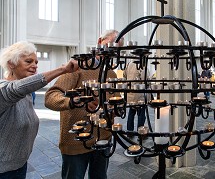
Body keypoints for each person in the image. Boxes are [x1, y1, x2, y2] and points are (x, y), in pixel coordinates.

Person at [44, 30, 123, 179]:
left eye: (116, 49)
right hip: (76, 141)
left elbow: (115, 100)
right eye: (110, 45)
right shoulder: (78, 66)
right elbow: (50, 97)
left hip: (103, 137)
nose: (111, 51)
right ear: (100, 41)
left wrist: (116, 108)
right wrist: (75, 101)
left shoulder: (111, 74)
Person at [0, 41, 78, 179]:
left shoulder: (28, 94)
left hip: (19, 165)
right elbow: (16, 89)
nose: (35, 66)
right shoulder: (3, 90)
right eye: (28, 61)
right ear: (11, 63)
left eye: (36, 62)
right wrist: (62, 69)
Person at [123, 60, 149, 138]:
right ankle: (141, 134)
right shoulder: (141, 64)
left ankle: (129, 132)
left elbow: (124, 75)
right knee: (141, 115)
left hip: (130, 94)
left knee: (131, 113)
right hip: (139, 94)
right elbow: (145, 79)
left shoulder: (129, 63)